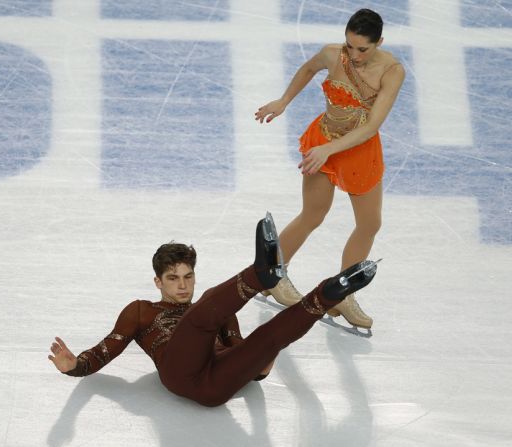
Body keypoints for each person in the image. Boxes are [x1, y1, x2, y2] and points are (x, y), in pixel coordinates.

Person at [48, 212, 378, 407]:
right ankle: (260, 275)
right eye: (173, 278)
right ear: (158, 282)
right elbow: (106, 350)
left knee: (267, 338)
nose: (182, 285)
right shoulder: (141, 311)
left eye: (188, 276)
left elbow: (240, 351)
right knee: (202, 317)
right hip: (179, 373)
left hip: (217, 387)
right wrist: (74, 365)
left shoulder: (216, 310)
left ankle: (329, 294)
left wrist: (262, 362)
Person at [254, 8, 405, 329]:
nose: (355, 54)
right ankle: (272, 275)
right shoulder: (332, 55)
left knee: (369, 224)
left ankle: (342, 294)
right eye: (349, 46)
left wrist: (328, 150)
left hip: (356, 152)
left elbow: (372, 125)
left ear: (379, 42)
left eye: (363, 48)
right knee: (313, 213)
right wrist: (283, 101)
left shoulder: (392, 72)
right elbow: (308, 69)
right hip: (322, 140)